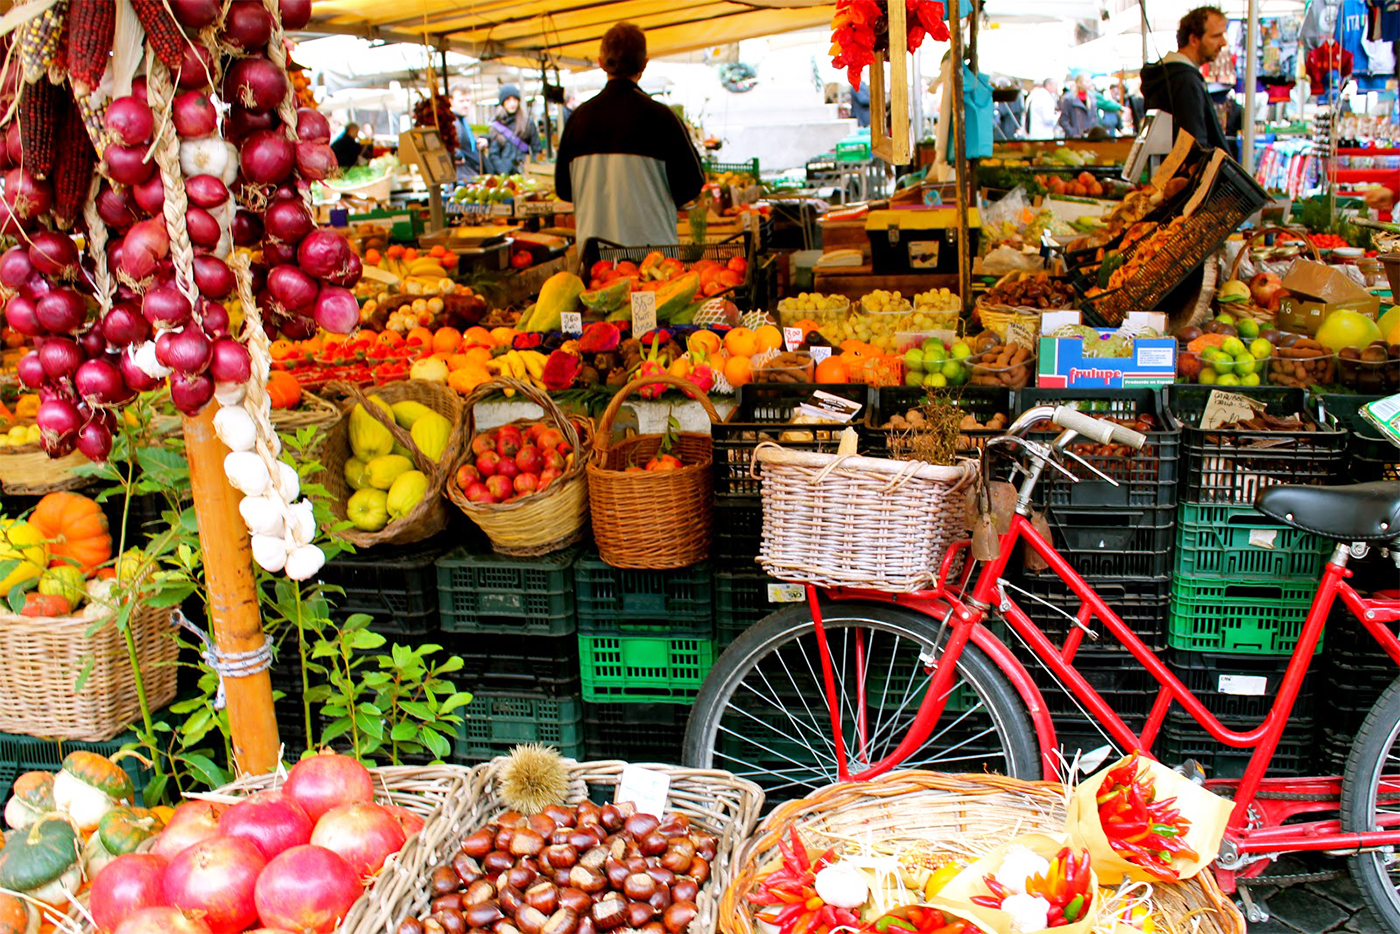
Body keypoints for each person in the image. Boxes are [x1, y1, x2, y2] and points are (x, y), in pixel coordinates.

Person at [555, 22, 704, 248]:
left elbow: (564, 190)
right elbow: (691, 185)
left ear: (601, 64)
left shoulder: (578, 120)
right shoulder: (662, 118)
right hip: (653, 261)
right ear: (644, 64)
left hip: (596, 263)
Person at [1140, 6, 1231, 152]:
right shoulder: (1185, 81)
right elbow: (1194, 147)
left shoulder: (1168, 75)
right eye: (1216, 36)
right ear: (1194, 39)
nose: (1223, 43)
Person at [486, 85, 540, 175]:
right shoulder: (496, 125)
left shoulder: (527, 123)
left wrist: (532, 169)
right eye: (508, 100)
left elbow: (536, 149)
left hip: (524, 172)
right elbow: (493, 154)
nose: (512, 103)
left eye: (515, 100)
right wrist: (504, 171)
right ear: (503, 103)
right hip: (504, 175)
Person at [449, 81, 487, 179]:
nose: (465, 104)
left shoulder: (462, 121)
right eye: (461, 101)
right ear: (451, 101)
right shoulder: (452, 123)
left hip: (471, 174)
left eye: (468, 100)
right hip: (463, 177)